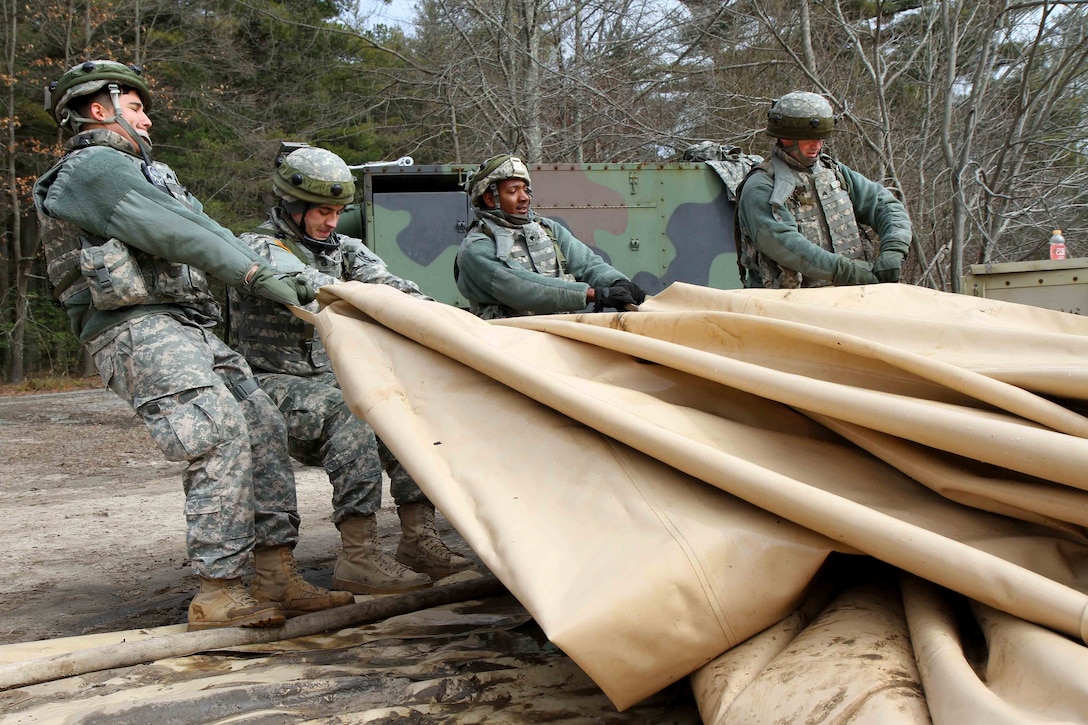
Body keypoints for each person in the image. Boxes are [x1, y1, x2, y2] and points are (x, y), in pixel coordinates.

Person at [33, 60, 354, 631]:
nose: (148, 119)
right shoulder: (90, 170)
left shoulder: (151, 174)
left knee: (262, 422)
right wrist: (254, 276)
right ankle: (219, 590)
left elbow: (215, 233)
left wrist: (290, 274)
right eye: (136, 107)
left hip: (185, 321)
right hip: (134, 327)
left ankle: (275, 572)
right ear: (98, 110)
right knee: (217, 430)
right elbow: (181, 235)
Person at [228, 145, 475, 594]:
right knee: (354, 411)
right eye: (323, 211)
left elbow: (391, 288)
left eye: (339, 211)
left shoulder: (346, 249)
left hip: (332, 376)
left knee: (404, 407)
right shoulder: (258, 248)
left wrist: (442, 320)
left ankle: (418, 539)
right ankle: (359, 555)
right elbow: (306, 286)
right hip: (274, 381)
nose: (332, 222)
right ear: (292, 205)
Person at [736, 91, 913, 289]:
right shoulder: (762, 186)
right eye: (809, 139)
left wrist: (894, 249)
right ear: (786, 138)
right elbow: (784, 244)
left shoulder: (834, 173)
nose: (817, 146)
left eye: (821, 139)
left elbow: (885, 204)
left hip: (852, 296)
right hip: (789, 307)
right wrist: (848, 271)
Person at [455, 154, 647, 319]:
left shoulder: (547, 229)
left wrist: (617, 282)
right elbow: (521, 288)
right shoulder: (477, 248)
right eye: (513, 191)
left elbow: (587, 263)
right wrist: (591, 294)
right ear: (489, 199)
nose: (524, 197)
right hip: (505, 347)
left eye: (525, 189)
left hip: (557, 339)